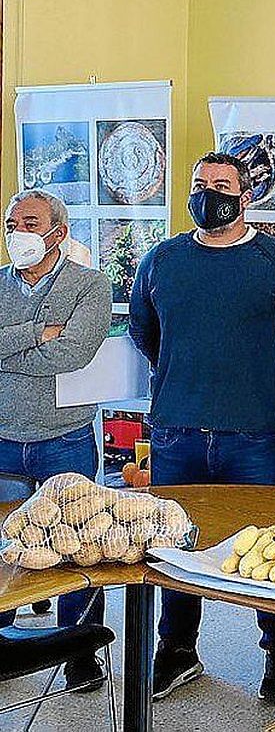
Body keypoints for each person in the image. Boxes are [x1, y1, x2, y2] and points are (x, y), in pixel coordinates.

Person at [128, 152, 275, 705]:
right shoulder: (162, 260)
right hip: (177, 429)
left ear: (246, 195)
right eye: (199, 184)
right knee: (175, 547)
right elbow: (146, 332)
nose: (209, 192)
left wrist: (261, 379)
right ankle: (177, 650)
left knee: (268, 547)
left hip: (256, 432)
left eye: (221, 184)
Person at [0, 188, 112, 692]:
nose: (16, 233)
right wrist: (36, 331)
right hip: (3, 436)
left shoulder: (90, 285)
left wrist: (11, 351)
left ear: (58, 233)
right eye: (10, 223)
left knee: (77, 546)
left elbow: (74, 353)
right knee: (3, 547)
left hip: (64, 437)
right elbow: (49, 344)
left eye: (29, 223)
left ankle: (81, 651)